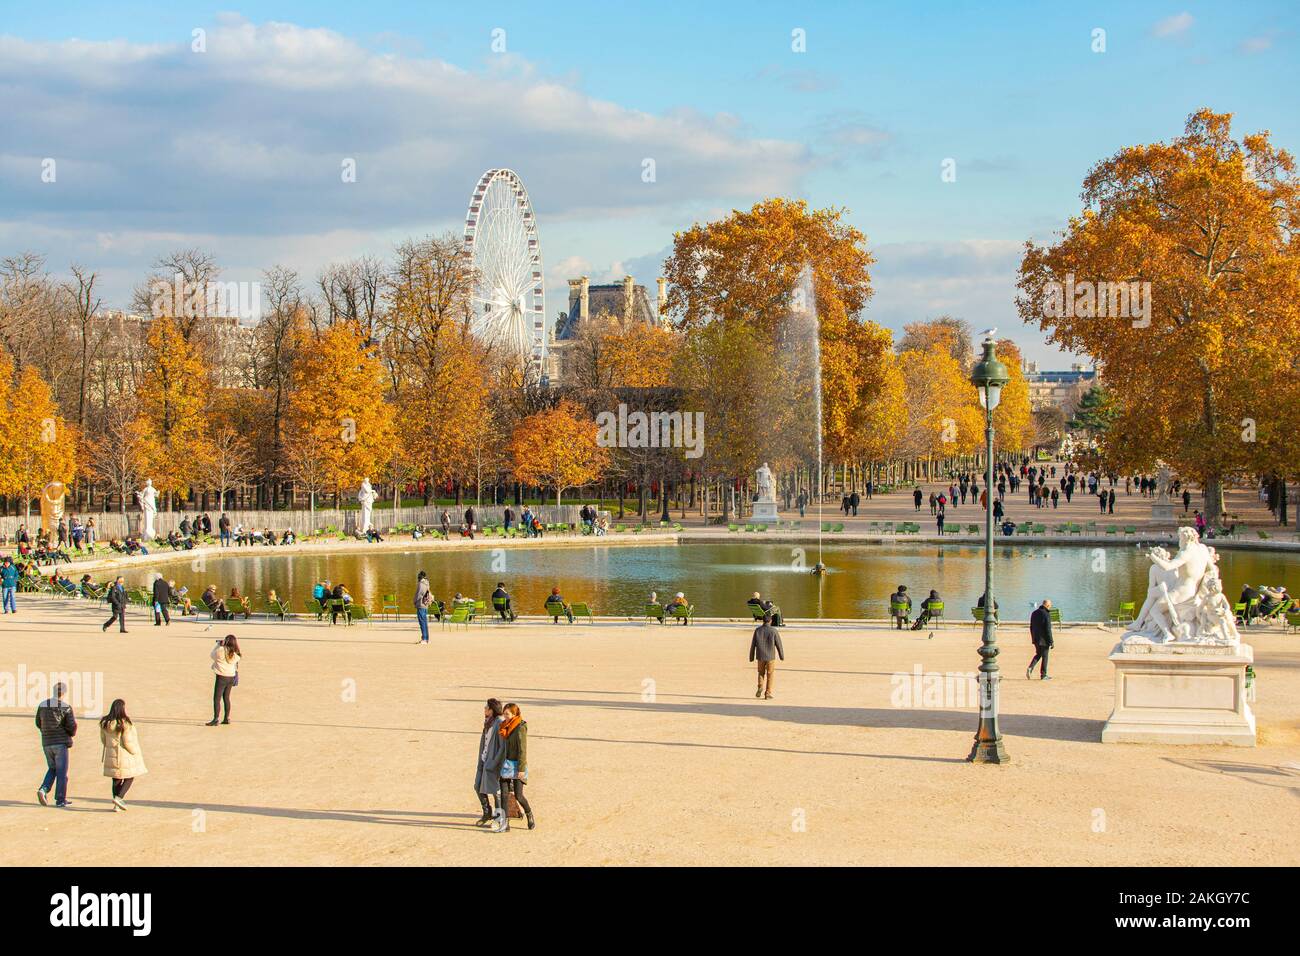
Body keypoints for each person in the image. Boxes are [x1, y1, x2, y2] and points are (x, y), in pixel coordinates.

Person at [492, 702, 534, 832]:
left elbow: (522, 750)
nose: (505, 717)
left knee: (519, 796)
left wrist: (521, 769)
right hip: (506, 764)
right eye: (504, 714)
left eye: (507, 714)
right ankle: (505, 822)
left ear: (514, 714)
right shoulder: (504, 726)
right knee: (504, 795)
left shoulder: (520, 727)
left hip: (517, 765)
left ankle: (529, 814)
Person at [99, 699, 146, 811]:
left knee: (116, 779)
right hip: (124, 755)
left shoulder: (105, 723)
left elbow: (103, 740)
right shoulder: (124, 723)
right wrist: (134, 751)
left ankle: (117, 804)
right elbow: (127, 741)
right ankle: (119, 799)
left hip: (111, 755)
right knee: (129, 777)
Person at [36, 681, 78, 808]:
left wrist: (46, 731)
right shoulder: (66, 707)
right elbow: (71, 727)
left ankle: (43, 789)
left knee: (52, 768)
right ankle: (60, 800)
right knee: (61, 772)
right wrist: (70, 732)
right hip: (60, 743)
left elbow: (38, 723)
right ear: (64, 693)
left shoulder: (42, 705)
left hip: (46, 742)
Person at [474, 699, 505, 826]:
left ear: (491, 710)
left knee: (495, 790)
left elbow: (502, 747)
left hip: (493, 762)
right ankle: (487, 812)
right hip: (483, 759)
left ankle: (498, 817)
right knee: (477, 786)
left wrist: (494, 762)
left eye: (486, 707)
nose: (484, 709)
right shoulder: (488, 722)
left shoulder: (499, 723)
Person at [749, 611, 786, 700]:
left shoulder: (757, 630)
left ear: (763, 621)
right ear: (770, 621)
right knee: (770, 674)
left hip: (760, 656)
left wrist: (751, 657)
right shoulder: (774, 631)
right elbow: (779, 644)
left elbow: (753, 644)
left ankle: (760, 686)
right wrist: (781, 656)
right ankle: (767, 693)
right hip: (770, 656)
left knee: (761, 673)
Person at [207, 635, 241, 725]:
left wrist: (218, 645)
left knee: (217, 698)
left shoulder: (221, 651)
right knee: (226, 698)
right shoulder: (235, 653)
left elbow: (212, 655)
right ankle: (227, 718)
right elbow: (238, 657)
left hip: (221, 676)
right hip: (230, 677)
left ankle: (216, 719)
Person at [1027, 599, 1054, 680]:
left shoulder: (1034, 613)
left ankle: (1030, 668)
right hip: (1044, 640)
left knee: (1038, 654)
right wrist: (1051, 641)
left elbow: (1031, 627)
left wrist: (1033, 638)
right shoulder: (1046, 614)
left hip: (1036, 638)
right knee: (1045, 657)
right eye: (1050, 606)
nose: (1050, 607)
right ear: (1047, 606)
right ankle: (1043, 675)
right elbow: (1048, 629)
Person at [414, 571, 433, 644]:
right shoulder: (427, 583)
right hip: (425, 605)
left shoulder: (421, 584)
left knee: (422, 622)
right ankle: (426, 638)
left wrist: (414, 601)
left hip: (421, 605)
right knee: (424, 622)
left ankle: (424, 639)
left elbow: (419, 595)